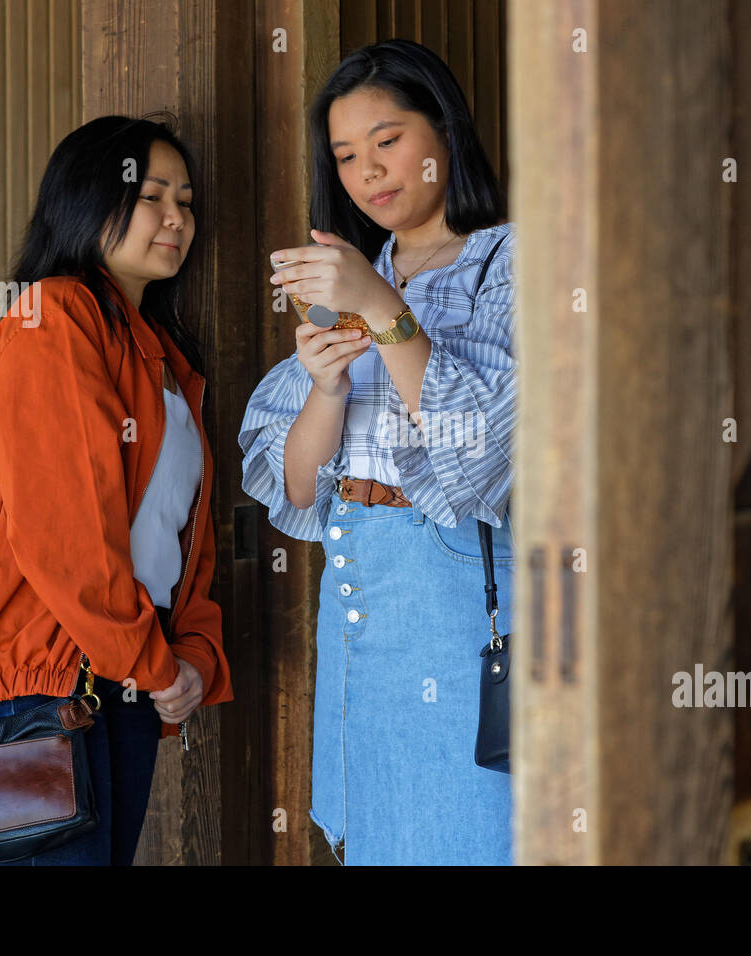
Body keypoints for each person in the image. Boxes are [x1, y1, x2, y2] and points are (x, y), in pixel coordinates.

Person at [0, 115, 233, 865]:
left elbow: (178, 535)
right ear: (85, 202)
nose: (176, 218)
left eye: (186, 201)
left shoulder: (163, 357)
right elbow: (66, 537)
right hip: (37, 683)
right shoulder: (53, 316)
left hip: (121, 673)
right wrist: (158, 666)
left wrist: (192, 656)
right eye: (152, 195)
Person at [240, 39, 516, 865]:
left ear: (445, 131)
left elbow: (479, 451)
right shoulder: (354, 273)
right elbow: (296, 489)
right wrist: (324, 386)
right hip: (359, 589)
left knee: (470, 829)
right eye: (346, 155)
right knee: (380, 837)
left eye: (388, 140)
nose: (368, 172)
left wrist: (381, 307)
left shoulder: (512, 261)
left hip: (457, 591)